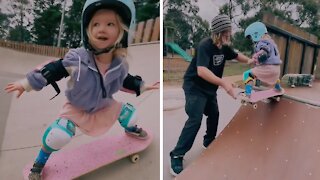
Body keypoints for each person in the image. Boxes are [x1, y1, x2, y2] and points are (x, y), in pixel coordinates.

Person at [4, 0, 159, 179]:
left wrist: (142, 86)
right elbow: (54, 70)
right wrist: (26, 84)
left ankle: (132, 129)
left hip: (105, 105)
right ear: (87, 31)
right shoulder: (77, 58)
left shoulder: (119, 64)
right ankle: (40, 162)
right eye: (96, 24)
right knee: (57, 135)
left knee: (130, 115)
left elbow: (126, 80)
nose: (102, 29)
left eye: (110, 24)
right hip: (77, 107)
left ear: (122, 31)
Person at [169, 14, 253, 176]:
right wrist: (223, 83)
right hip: (194, 87)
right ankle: (177, 154)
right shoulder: (205, 46)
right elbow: (201, 71)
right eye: (226, 33)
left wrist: (250, 61)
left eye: (230, 32)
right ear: (218, 33)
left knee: (214, 113)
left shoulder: (225, 46)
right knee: (196, 118)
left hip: (209, 89)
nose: (229, 35)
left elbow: (236, 55)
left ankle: (209, 141)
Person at [243, 22, 282, 96]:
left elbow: (263, 54)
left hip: (268, 68)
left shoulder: (262, 43)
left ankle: (248, 93)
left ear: (256, 34)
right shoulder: (271, 43)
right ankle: (277, 87)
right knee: (270, 77)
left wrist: (254, 60)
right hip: (277, 70)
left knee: (247, 74)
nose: (251, 40)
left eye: (251, 37)